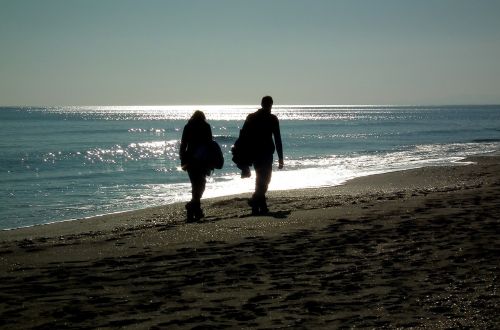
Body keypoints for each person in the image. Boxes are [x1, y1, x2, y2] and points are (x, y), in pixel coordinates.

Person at [240, 96, 284, 215]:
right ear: (271, 105)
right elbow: (277, 139)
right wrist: (280, 157)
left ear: (262, 104)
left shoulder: (253, 117)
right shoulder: (271, 118)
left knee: (261, 179)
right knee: (265, 179)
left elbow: (243, 136)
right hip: (263, 153)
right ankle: (255, 200)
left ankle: (259, 206)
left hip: (256, 153)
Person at [179, 110, 213, 222]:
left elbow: (183, 144)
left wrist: (182, 159)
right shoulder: (206, 126)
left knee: (195, 184)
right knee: (201, 184)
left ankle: (194, 208)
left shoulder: (188, 126)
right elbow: (209, 144)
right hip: (202, 160)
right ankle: (194, 207)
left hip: (190, 159)